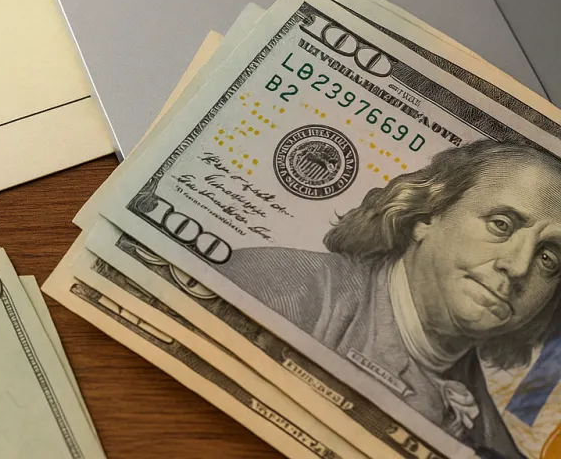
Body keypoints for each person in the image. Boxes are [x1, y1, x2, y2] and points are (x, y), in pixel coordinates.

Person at [222, 139, 561, 459]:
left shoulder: (494, 443)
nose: (517, 267)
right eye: (500, 224)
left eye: (548, 258)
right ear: (428, 216)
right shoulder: (272, 283)